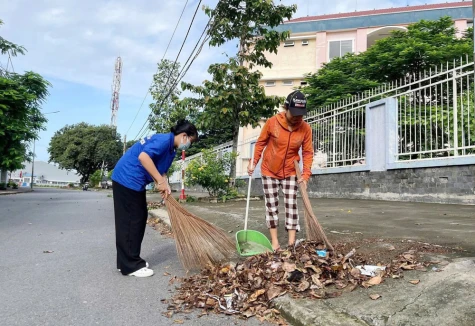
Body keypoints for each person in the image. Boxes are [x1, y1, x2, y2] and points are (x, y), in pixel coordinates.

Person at [111, 120, 198, 277]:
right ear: (184, 136)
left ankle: (125, 262)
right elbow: (144, 158)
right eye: (190, 141)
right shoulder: (164, 141)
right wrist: (159, 180)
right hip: (128, 179)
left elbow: (159, 168)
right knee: (133, 220)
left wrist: (164, 183)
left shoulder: (170, 148)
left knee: (134, 219)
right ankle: (131, 265)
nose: (188, 145)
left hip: (130, 181)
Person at [247, 90, 313, 252]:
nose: (298, 118)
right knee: (272, 206)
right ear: (286, 108)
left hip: (291, 170)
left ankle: (291, 244)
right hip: (269, 169)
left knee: (291, 205)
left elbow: (307, 152)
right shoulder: (272, 122)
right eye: (294, 114)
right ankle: (275, 242)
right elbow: (260, 144)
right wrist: (253, 162)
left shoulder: (305, 128)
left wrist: (305, 175)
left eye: (301, 114)